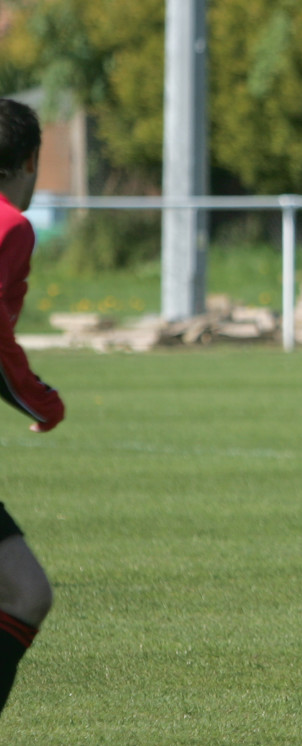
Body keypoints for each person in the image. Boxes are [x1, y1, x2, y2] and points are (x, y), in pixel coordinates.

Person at [0, 98, 65, 717]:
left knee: (24, 589)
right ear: (29, 161)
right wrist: (40, 400)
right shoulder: (10, 226)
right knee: (25, 591)